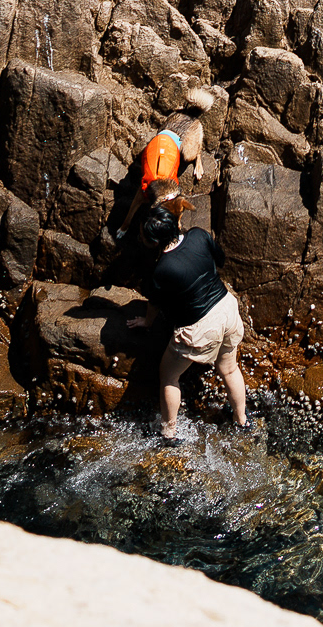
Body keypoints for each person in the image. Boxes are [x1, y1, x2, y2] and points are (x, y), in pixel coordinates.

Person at [127, 203, 249, 441]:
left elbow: (155, 303)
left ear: (153, 242)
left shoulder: (162, 268)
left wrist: (147, 322)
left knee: (169, 376)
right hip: (227, 308)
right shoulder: (198, 234)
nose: (140, 238)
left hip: (201, 328)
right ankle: (242, 420)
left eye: (143, 235)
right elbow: (220, 259)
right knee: (229, 368)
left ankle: (169, 433)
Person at [115, 102, 209, 234]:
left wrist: (178, 220)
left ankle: (197, 156)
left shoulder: (171, 192)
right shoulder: (147, 190)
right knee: (186, 157)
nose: (178, 225)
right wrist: (125, 226)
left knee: (188, 156)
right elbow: (137, 202)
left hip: (175, 130)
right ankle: (196, 152)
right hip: (171, 132)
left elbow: (176, 204)